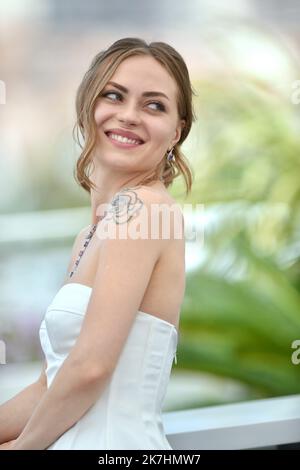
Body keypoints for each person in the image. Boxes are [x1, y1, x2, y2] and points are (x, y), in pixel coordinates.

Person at [0, 37, 196, 450]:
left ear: (176, 131)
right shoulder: (89, 236)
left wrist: (21, 449)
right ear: (89, 105)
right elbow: (50, 384)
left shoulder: (142, 208)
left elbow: (92, 367)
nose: (129, 116)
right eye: (114, 95)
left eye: (154, 105)